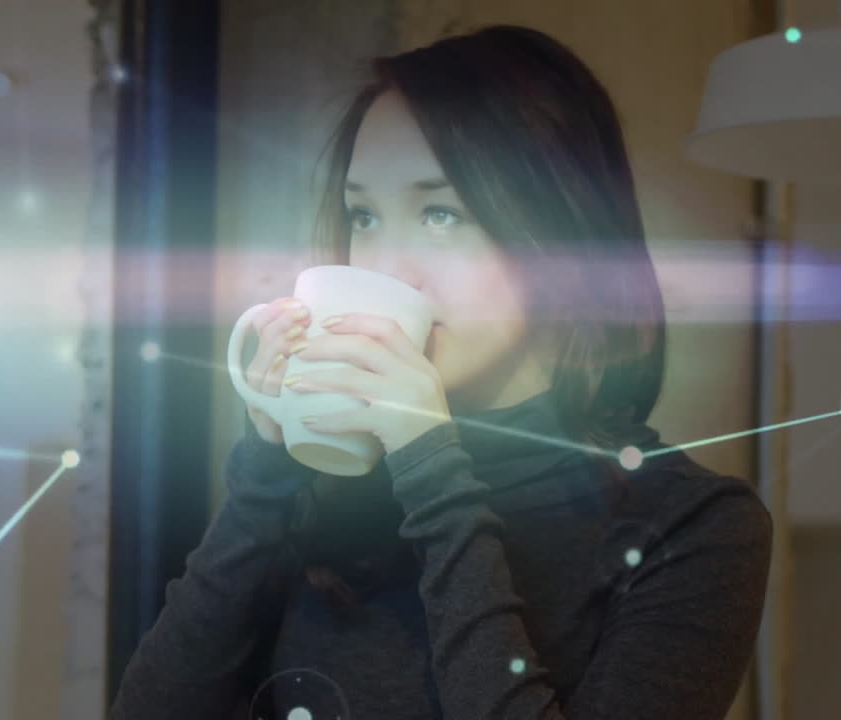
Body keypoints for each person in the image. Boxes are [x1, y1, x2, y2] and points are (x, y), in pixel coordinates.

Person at [109, 24, 771, 720]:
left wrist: (431, 467)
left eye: (440, 213)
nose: (387, 266)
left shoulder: (691, 527)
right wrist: (265, 474)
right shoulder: (319, 491)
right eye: (363, 216)